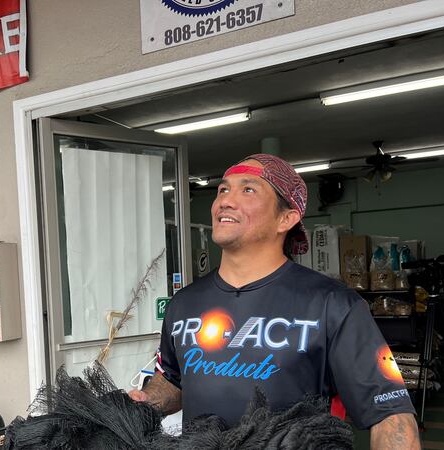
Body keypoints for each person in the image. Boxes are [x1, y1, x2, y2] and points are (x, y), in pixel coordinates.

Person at [129, 154, 420, 449]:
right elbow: (174, 381)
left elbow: (392, 416)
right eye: (223, 190)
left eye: (248, 190)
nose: (225, 201)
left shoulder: (333, 304)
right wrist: (144, 401)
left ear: (287, 218)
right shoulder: (184, 304)